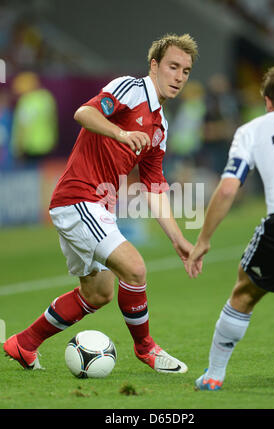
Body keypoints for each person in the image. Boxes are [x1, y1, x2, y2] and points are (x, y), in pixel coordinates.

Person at [4, 33, 200, 374]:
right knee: (135, 268)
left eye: (185, 70)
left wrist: (177, 238)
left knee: (98, 293)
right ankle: (146, 349)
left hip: (96, 207)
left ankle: (24, 343)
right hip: (79, 198)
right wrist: (121, 133)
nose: (179, 76)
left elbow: (154, 186)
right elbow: (84, 113)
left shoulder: (160, 126)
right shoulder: (131, 88)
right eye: (172, 66)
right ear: (154, 66)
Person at [187, 64, 274, 390]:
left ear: (267, 101)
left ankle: (213, 376)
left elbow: (226, 189)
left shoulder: (252, 130)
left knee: (245, 292)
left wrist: (204, 239)